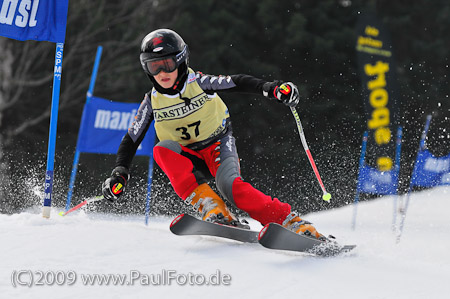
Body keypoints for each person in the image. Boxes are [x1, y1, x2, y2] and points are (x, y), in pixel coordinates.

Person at [102, 28, 325, 240]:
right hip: (190, 157)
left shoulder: (198, 82)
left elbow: (237, 81)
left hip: (217, 145)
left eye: (168, 64)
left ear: (180, 61)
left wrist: (272, 88)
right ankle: (214, 209)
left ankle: (291, 221)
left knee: (232, 188)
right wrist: (120, 173)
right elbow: (131, 138)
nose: (162, 73)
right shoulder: (152, 101)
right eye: (154, 67)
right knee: (161, 150)